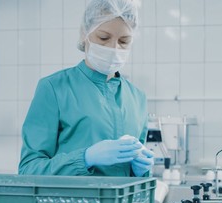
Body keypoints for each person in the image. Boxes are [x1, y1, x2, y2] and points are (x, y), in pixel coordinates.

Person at [19, 0, 154, 177]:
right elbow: (29, 169)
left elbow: (136, 180)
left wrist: (140, 171)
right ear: (85, 34)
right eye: (104, 38)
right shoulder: (54, 88)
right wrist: (85, 158)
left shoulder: (137, 98)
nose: (114, 48)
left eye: (124, 41)